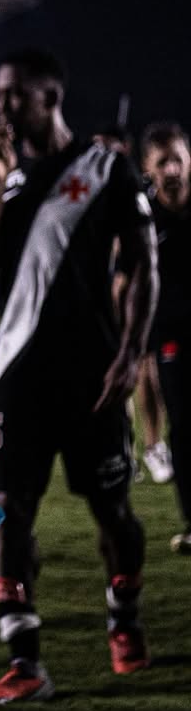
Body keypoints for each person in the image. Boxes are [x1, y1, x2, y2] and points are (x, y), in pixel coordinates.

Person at [0, 47, 158, 705]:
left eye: (14, 94)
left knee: (113, 511)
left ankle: (124, 616)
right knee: (8, 511)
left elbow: (144, 262)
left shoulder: (105, 168)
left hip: (93, 376)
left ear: (50, 97)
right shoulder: (4, 179)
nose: (2, 107)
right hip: (17, 376)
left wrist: (131, 353)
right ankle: (25, 661)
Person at [95, 125, 173, 484]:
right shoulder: (89, 188)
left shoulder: (138, 193)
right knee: (112, 376)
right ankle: (123, 451)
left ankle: (154, 446)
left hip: (134, 293)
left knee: (147, 373)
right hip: (103, 296)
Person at [138, 121, 191, 553]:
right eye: (162, 163)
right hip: (171, 338)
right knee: (185, 429)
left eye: (177, 159)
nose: (171, 169)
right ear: (148, 169)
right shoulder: (142, 217)